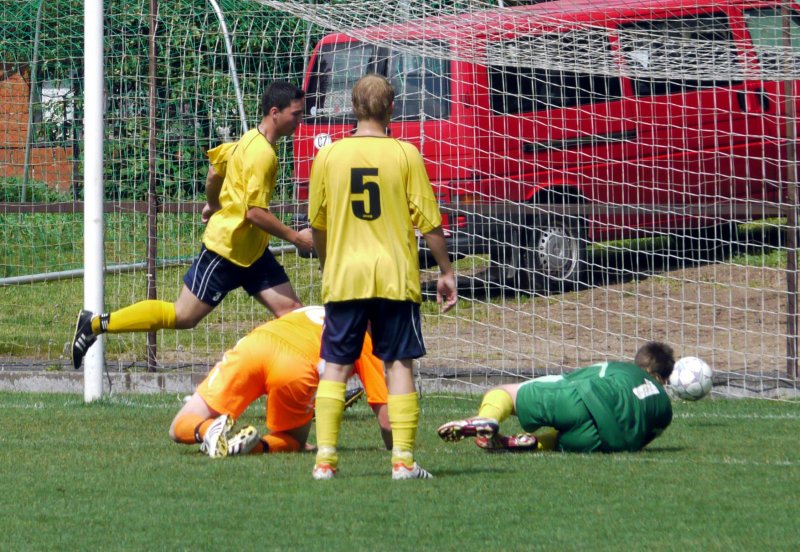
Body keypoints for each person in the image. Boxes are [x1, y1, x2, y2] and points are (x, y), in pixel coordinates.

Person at [71, 81, 314, 369]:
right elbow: (254, 214)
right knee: (183, 316)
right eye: (296, 114)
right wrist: (296, 238)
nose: (300, 121)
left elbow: (214, 171)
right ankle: (95, 323)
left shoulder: (247, 139)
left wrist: (213, 204)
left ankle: (313, 386)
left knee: (293, 312)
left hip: (253, 253)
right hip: (225, 252)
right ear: (275, 112)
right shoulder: (263, 154)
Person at [307, 74, 458, 481]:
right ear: (392, 108)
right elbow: (429, 222)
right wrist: (446, 271)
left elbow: (317, 224)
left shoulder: (328, 156)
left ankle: (325, 460)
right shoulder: (405, 154)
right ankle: (403, 462)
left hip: (345, 277)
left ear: (353, 108)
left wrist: (328, 261)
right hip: (394, 276)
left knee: (336, 365)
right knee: (398, 363)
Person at [169, 305, 391, 458]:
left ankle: (208, 430)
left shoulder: (320, 309)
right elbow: (387, 421)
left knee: (181, 423)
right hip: (294, 365)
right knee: (294, 440)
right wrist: (396, 447)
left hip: (255, 345)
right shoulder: (365, 337)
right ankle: (254, 447)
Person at [437, 341, 675, 454]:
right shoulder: (665, 409)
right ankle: (536, 443)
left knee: (503, 393)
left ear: (640, 364)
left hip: (582, 400)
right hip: (601, 442)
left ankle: (486, 418)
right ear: (663, 377)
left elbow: (576, 381)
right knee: (562, 437)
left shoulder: (622, 369)